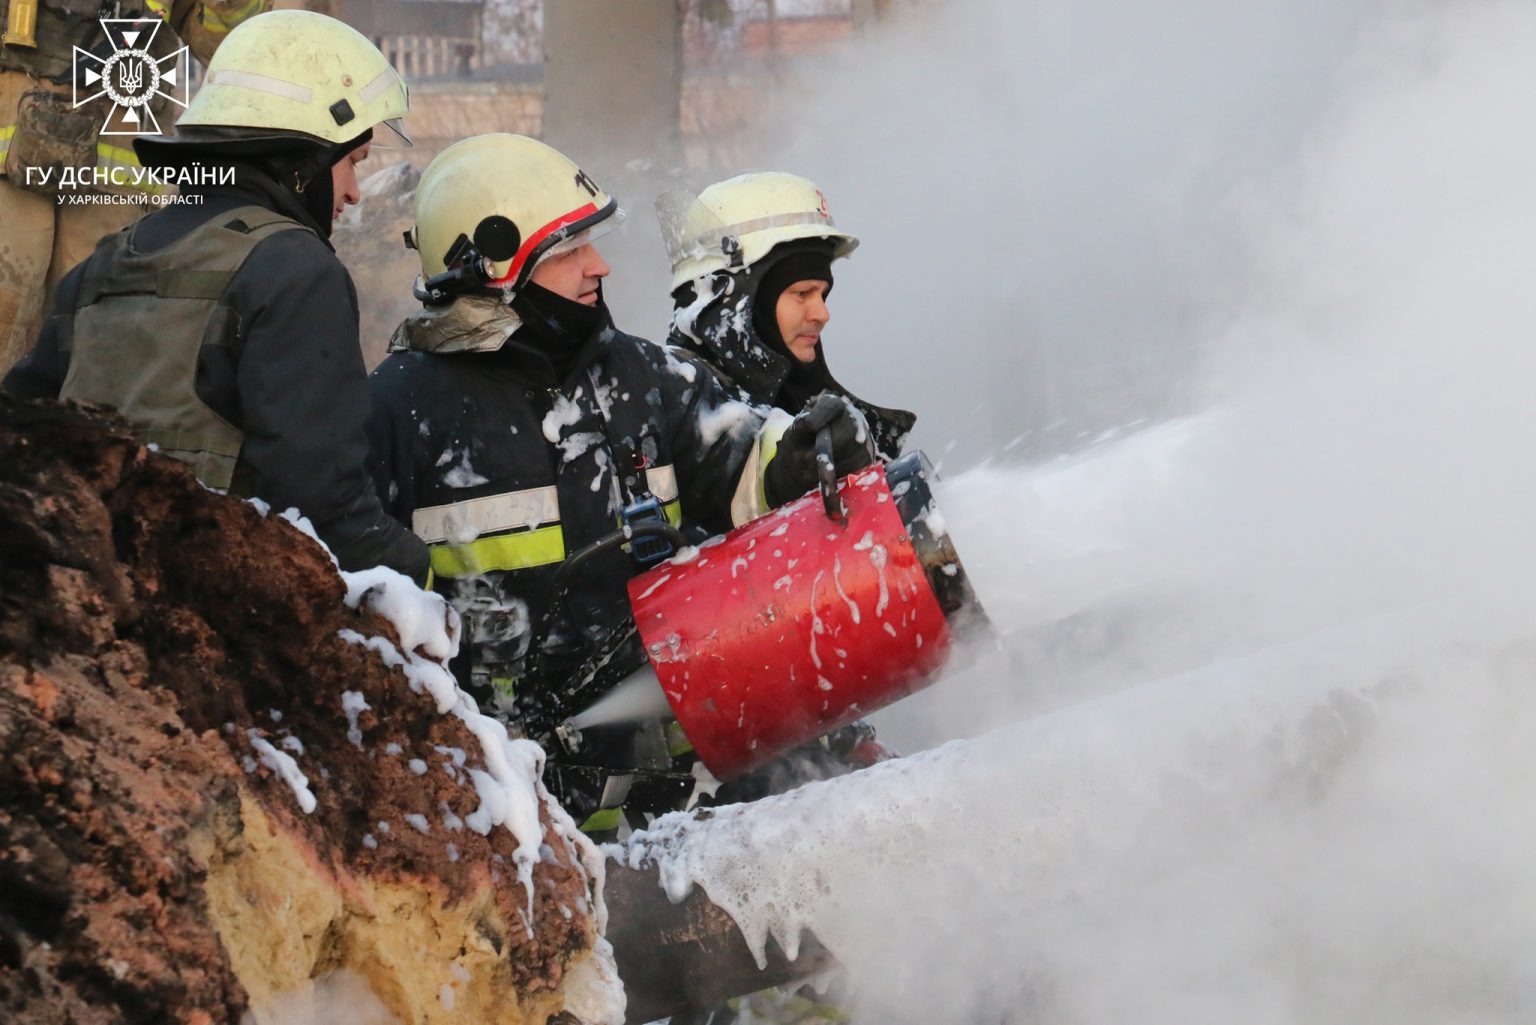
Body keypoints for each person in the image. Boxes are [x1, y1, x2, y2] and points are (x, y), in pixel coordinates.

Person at [366, 133, 876, 831]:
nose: (598, 265)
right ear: (492, 263)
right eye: (570, 249)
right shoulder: (400, 411)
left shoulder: (640, 378)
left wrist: (796, 453)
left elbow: (738, 463)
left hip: (663, 804)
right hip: (502, 816)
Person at [2, 9, 429, 582]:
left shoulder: (108, 258)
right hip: (221, 612)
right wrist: (424, 584)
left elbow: (24, 427)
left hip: (101, 601)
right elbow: (323, 503)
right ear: (304, 161)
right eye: (352, 161)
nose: (353, 193)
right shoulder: (295, 270)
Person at [0, 0, 269, 374]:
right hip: (11, 143)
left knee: (99, 315)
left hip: (117, 158)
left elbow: (222, 42)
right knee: (8, 301)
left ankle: (78, 427)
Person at [658, 170, 915, 461]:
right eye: (802, 294)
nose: (822, 314)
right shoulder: (675, 418)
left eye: (823, 293)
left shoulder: (808, 407)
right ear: (739, 303)